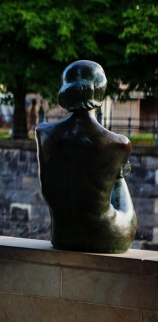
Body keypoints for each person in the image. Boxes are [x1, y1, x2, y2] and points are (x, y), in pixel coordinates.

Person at [36, 60, 136, 253]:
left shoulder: (43, 133)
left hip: (61, 237)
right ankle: (120, 174)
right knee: (119, 174)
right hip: (106, 235)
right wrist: (119, 175)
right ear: (100, 92)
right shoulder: (119, 143)